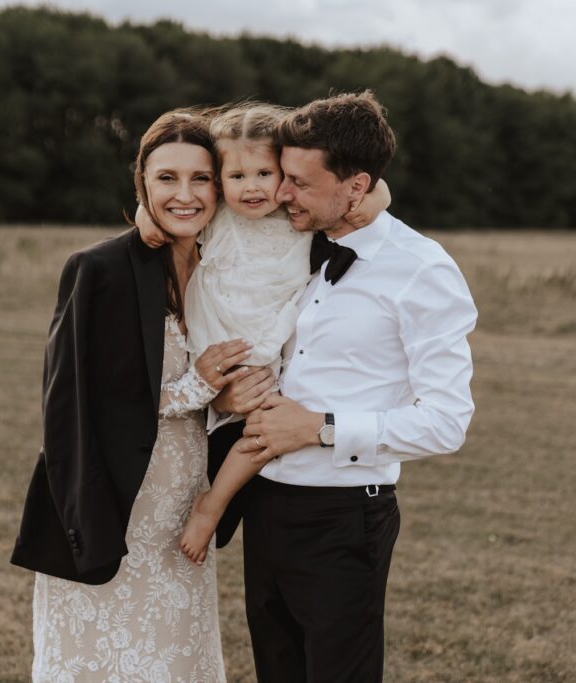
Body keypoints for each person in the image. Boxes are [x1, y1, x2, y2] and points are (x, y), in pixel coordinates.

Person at [221, 91, 478, 682]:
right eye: (283, 176)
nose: (282, 194)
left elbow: (446, 423)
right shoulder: (297, 243)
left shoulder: (422, 269)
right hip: (265, 504)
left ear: (357, 186)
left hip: (343, 515)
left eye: (299, 183)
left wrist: (319, 428)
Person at [9, 109, 253, 682]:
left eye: (200, 178)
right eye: (167, 178)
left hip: (183, 511)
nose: (184, 195)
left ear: (220, 185)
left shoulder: (228, 273)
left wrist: (224, 403)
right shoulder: (99, 270)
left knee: (174, 662)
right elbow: (72, 407)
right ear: (141, 182)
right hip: (111, 506)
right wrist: (197, 387)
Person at [135, 103, 391, 564]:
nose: (251, 187)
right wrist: (143, 215)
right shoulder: (218, 215)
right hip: (216, 339)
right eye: (237, 177)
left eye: (264, 174)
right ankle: (208, 501)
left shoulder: (297, 218)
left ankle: (214, 504)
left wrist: (378, 199)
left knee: (261, 428)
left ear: (285, 177)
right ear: (219, 181)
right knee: (226, 430)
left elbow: (371, 191)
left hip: (264, 344)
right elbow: (167, 201)